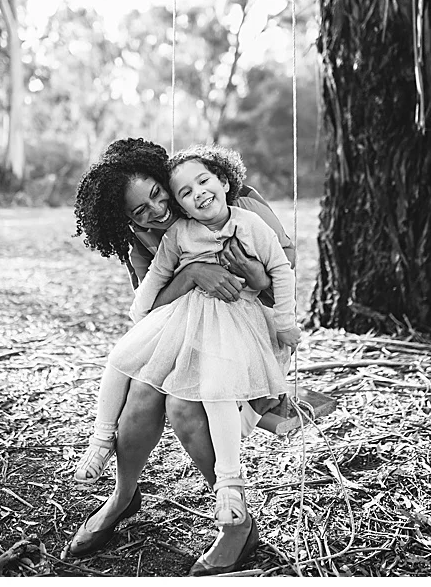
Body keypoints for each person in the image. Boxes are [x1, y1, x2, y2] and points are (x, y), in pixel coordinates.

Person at [70, 138, 297, 575]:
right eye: (141, 210)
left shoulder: (237, 201)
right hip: (183, 328)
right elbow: (150, 308)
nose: (156, 210)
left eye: (159, 194)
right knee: (140, 393)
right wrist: (193, 273)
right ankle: (122, 495)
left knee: (182, 404)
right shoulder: (142, 238)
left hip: (253, 329)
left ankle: (236, 520)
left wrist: (248, 272)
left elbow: (282, 282)